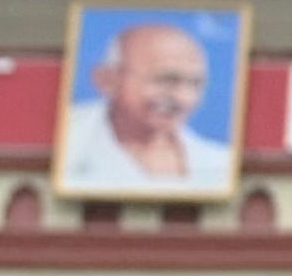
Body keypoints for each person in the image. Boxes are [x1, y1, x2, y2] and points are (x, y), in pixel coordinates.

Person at [58, 16, 225, 189]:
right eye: (167, 80)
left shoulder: (219, 162)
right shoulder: (66, 139)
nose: (183, 98)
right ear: (107, 80)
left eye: (195, 84)